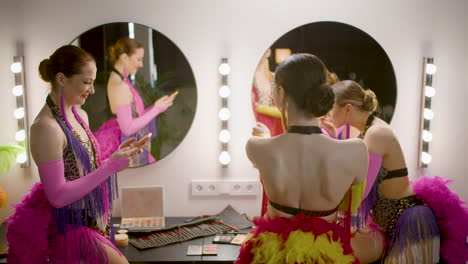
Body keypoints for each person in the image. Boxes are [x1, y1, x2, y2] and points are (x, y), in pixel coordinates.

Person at [6, 45, 144, 264]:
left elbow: (82, 172)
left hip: (95, 222)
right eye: (87, 82)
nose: (92, 90)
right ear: (62, 79)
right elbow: (58, 196)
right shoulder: (46, 128)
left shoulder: (80, 115)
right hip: (70, 229)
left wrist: (115, 160)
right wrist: (109, 167)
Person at [236, 54, 368, 263]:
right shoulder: (357, 151)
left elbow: (274, 155)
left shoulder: (256, 146)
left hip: (271, 254)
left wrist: (264, 137)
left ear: (280, 92)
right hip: (326, 255)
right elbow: (349, 207)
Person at [327, 80, 447, 263]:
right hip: (389, 222)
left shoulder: (376, 134)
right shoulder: (367, 132)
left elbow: (361, 189)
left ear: (347, 109)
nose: (328, 114)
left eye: (331, 109)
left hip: (409, 222)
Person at [94, 37, 174, 167]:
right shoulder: (119, 85)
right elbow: (128, 128)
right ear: (124, 57)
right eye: (138, 59)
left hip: (134, 145)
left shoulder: (122, 80)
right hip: (130, 151)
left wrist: (157, 106)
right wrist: (156, 109)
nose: (141, 64)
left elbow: (135, 115)